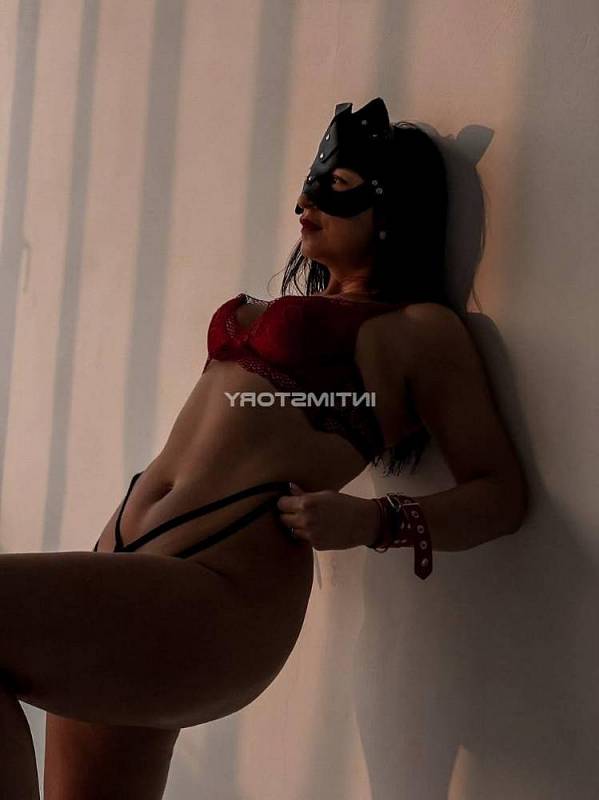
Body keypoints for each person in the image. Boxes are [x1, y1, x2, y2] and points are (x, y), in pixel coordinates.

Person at [1, 98, 527, 799]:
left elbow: (501, 494)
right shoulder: (309, 307)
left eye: (337, 187)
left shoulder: (420, 330)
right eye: (310, 185)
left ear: (391, 209)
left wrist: (375, 520)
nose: (306, 202)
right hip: (129, 569)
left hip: (218, 593)